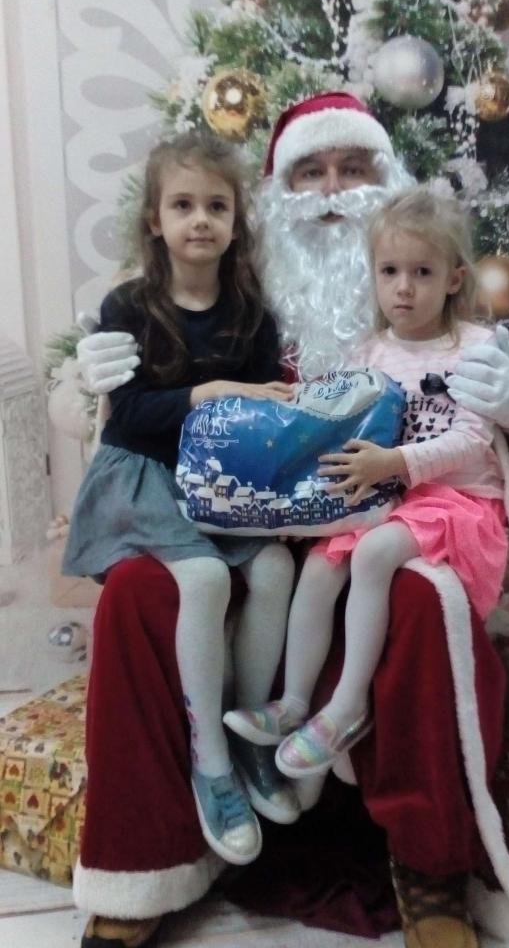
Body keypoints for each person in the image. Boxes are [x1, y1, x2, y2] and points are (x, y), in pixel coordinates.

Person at [75, 93, 509, 948]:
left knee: (420, 599)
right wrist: (93, 382)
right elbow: (150, 405)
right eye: (310, 172)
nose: (333, 191)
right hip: (235, 509)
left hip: (391, 505)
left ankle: (428, 865)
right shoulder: (243, 290)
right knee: (140, 594)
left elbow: (484, 437)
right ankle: (149, 860)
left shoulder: (436, 308)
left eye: (354, 168)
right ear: (273, 197)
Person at [224, 186, 509, 788]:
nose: (403, 288)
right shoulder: (370, 349)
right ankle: (294, 702)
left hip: (459, 502)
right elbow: (341, 422)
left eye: (422, 272)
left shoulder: (473, 347)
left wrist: (393, 462)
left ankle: (347, 707)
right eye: (390, 271)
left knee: (373, 553)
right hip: (392, 494)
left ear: (454, 278)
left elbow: (472, 441)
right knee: (320, 567)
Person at [65, 131, 300, 880]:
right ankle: (211, 761)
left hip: (220, 478)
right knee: (202, 579)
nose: (201, 219)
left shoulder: (251, 312)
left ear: (235, 221)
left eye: (217, 206)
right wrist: (210, 392)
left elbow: (263, 407)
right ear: (155, 220)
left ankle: (249, 731)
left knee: (274, 569)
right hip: (144, 475)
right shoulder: (129, 305)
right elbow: (131, 415)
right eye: (184, 205)